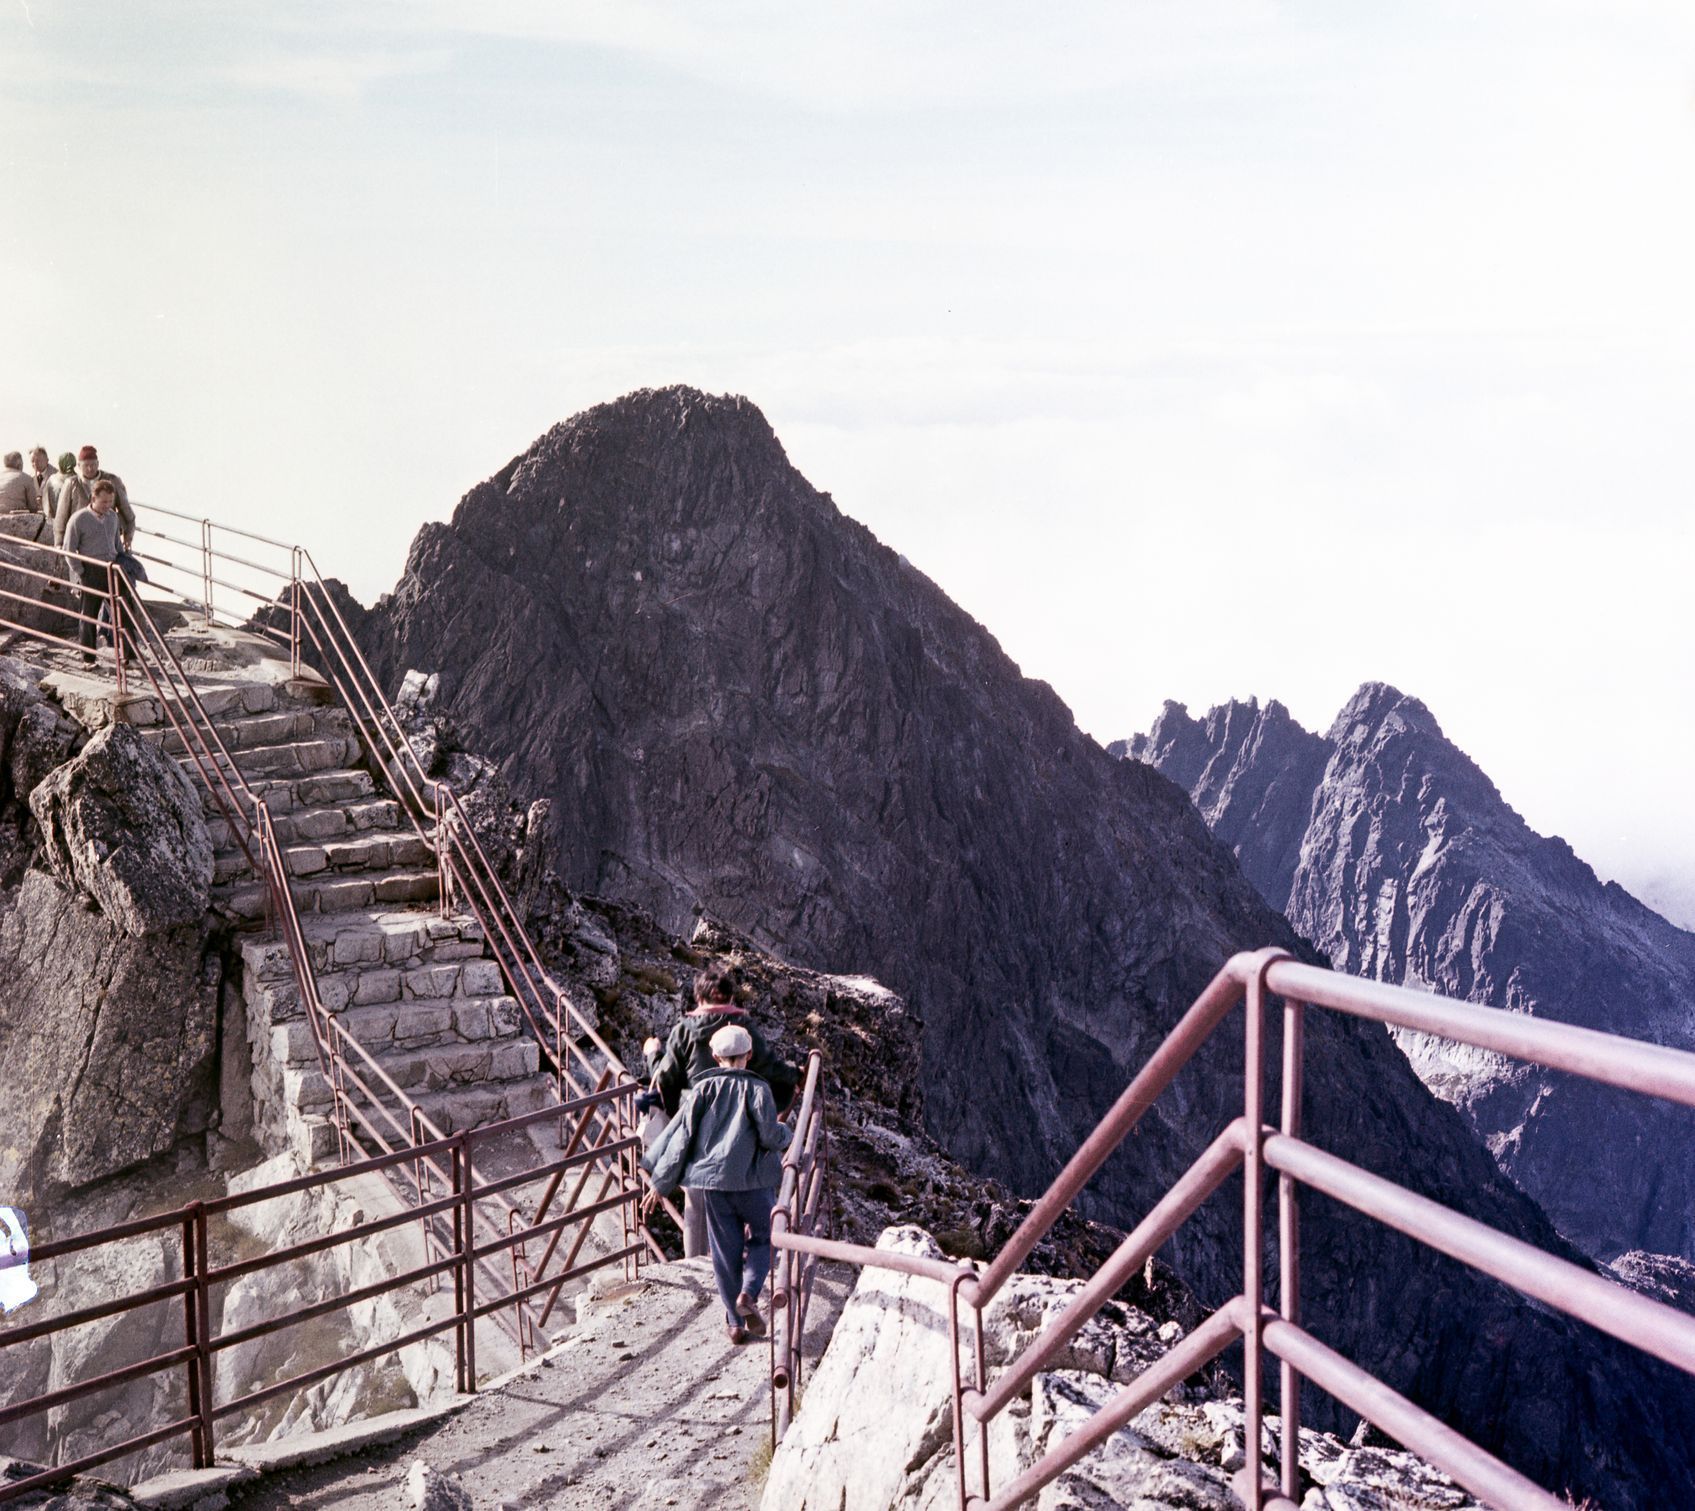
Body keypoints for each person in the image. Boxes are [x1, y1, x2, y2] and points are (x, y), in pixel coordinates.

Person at [641, 1024, 791, 1343]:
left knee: (725, 1253)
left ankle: (735, 1323)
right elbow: (768, 1135)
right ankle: (749, 1293)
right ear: (748, 1055)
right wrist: (786, 1133)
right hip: (753, 1183)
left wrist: (660, 1183)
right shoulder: (758, 1089)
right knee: (766, 1237)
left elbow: (681, 1138)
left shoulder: (701, 1091)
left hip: (713, 1184)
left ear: (715, 1056)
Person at [644, 967, 798, 1116]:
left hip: (695, 1116)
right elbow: (770, 1068)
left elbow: (665, 1079)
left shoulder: (684, 1031)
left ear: (698, 998)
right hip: (739, 1117)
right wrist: (797, 1073)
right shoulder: (744, 1027)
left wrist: (653, 1053)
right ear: (731, 997)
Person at [63, 478, 123, 663]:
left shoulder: (113, 517)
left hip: (112, 569)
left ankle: (127, 655)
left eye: (110, 502)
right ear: (93, 498)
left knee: (123, 612)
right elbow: (68, 549)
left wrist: (123, 564)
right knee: (88, 616)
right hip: (91, 571)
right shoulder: (79, 519)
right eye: (104, 502)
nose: (108, 506)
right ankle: (88, 659)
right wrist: (81, 571)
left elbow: (117, 545)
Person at [55, 445, 134, 550]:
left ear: (98, 463)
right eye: (86, 465)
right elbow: (61, 516)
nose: (90, 468)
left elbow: (128, 513)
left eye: (93, 464)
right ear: (78, 465)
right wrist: (59, 543)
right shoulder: (71, 484)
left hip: (107, 538)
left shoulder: (112, 480)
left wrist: (128, 536)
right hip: (81, 539)